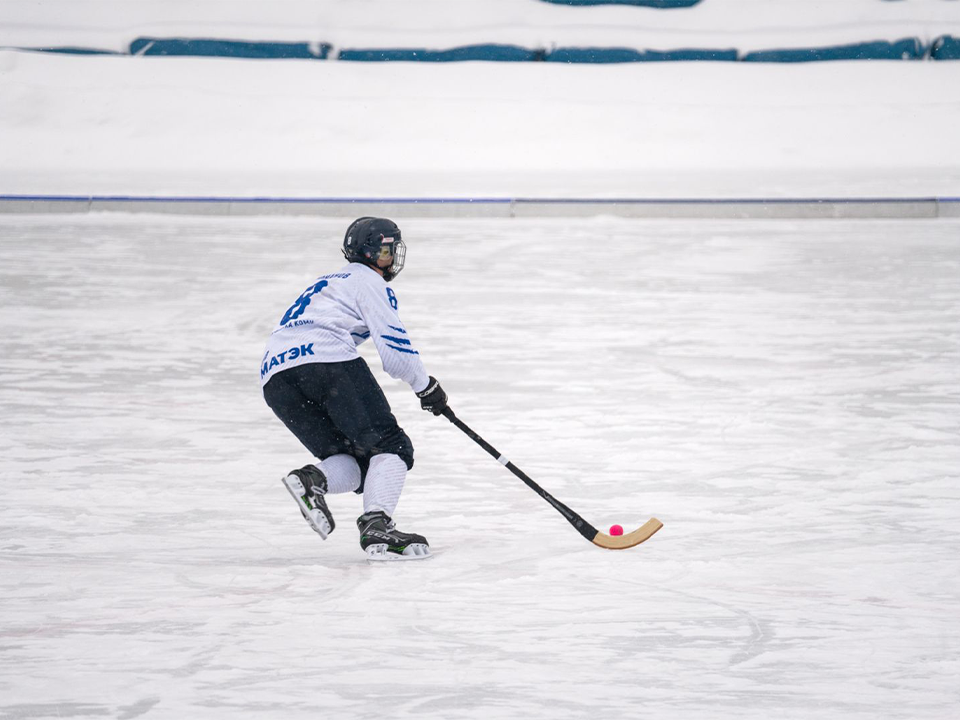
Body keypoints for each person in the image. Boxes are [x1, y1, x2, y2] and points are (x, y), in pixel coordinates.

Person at [260, 217, 447, 561]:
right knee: (391, 446)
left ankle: (311, 479)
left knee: (354, 462)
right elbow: (394, 349)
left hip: (275, 377)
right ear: (374, 252)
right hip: (325, 361)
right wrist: (426, 387)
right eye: (389, 251)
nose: (393, 259)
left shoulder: (327, 281)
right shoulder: (368, 281)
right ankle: (377, 522)